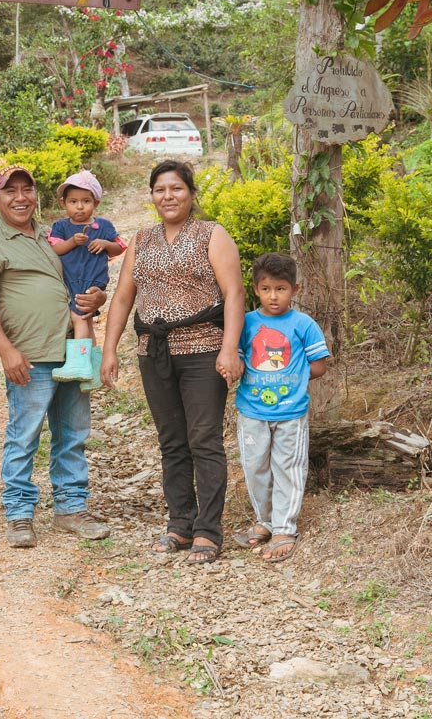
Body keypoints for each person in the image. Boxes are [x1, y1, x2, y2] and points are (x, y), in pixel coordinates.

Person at [101, 160, 245, 565]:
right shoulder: (142, 240)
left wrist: (229, 347)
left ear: (191, 194)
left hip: (203, 350)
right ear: (152, 196)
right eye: (160, 189)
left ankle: (208, 531)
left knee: (205, 440)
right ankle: (180, 524)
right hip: (155, 353)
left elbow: (234, 293)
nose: (168, 196)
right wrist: (109, 348)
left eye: (177, 188)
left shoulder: (212, 234)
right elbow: (124, 298)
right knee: (172, 442)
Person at [0, 164, 112, 549]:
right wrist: (6, 351)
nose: (19, 197)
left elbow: (80, 281)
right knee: (25, 435)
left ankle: (71, 508)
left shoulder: (51, 238)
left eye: (26, 189)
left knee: (73, 433)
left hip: (72, 348)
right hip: (29, 355)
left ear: (36, 195)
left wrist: (98, 298)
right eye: (9, 191)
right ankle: (18, 513)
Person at [230, 253, 329, 564]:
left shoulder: (303, 324)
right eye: (267, 289)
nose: (273, 296)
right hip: (252, 411)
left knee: (287, 468)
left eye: (281, 289)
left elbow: (320, 365)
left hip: (291, 413)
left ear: (295, 290)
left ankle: (284, 528)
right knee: (256, 468)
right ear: (256, 289)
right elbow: (238, 358)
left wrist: (293, 379)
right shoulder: (245, 323)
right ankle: (265, 521)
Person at [47, 169, 124, 386]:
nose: (79, 206)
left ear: (95, 203)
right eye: (73, 201)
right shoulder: (61, 227)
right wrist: (72, 242)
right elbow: (56, 250)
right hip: (70, 280)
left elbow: (119, 247)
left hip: (91, 281)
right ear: (64, 204)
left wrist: (105, 244)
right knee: (87, 322)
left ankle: (78, 363)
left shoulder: (104, 226)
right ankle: (92, 368)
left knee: (79, 317)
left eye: (85, 201)